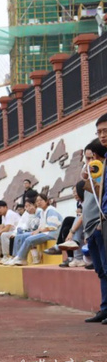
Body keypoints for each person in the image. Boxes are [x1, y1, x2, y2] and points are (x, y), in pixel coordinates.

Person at [80, 135, 107, 323]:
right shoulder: (89, 175)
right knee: (101, 271)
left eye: (92, 157)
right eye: (86, 158)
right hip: (90, 230)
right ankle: (104, 308)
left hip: (100, 226)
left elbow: (101, 200)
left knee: (106, 269)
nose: (89, 162)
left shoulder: (102, 174)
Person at [8, 194, 62, 266]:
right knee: (20, 236)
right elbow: (41, 226)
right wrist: (37, 231)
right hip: (45, 232)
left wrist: (38, 231)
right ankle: (16, 256)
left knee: (29, 239)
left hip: (52, 233)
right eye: (37, 201)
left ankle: (22, 258)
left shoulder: (51, 210)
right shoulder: (43, 211)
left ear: (46, 201)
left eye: (41, 200)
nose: (39, 202)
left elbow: (52, 227)